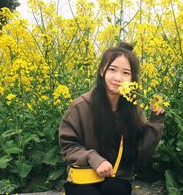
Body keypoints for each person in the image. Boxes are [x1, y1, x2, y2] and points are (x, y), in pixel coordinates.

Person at [58, 41, 166, 195]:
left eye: (126, 73)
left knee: (114, 189)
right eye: (112, 70)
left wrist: (156, 122)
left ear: (133, 79)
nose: (118, 78)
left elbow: (141, 154)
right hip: (84, 176)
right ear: (102, 71)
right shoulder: (80, 107)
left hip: (118, 177)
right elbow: (68, 146)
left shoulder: (134, 110)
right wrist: (93, 158)